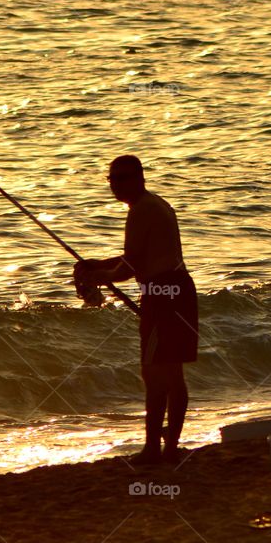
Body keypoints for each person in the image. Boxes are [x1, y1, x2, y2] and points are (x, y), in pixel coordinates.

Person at [73, 155, 198, 466]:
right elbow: (137, 256)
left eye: (124, 178)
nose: (117, 184)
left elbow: (131, 267)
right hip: (178, 289)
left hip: (163, 294)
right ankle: (167, 448)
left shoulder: (141, 210)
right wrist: (96, 265)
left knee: (156, 372)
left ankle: (156, 450)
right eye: (113, 179)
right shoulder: (155, 204)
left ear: (139, 178)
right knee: (171, 372)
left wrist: (99, 276)